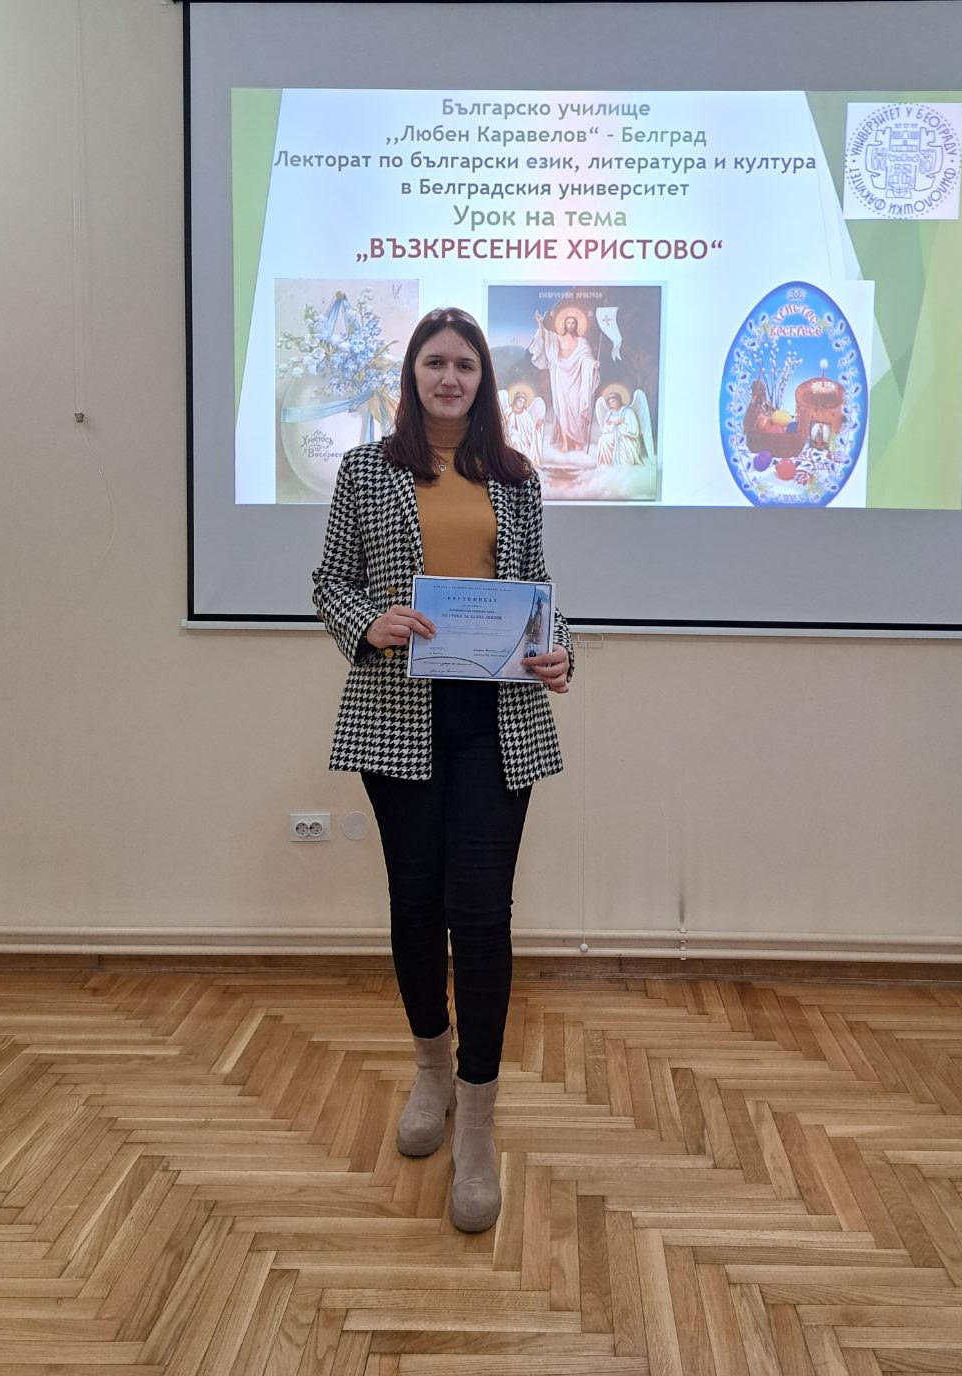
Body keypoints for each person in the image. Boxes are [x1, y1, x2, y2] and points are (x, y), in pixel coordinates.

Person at [312, 307, 573, 1234]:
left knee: (483, 915)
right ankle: (431, 1071)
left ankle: (478, 1121)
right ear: (413, 375)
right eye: (435, 362)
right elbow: (330, 580)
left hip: (497, 723)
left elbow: (540, 595)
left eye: (465, 364)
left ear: (482, 380)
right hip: (399, 717)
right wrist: (368, 622)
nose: (450, 377)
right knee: (416, 905)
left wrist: (560, 650)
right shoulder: (364, 470)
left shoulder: (518, 477)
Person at [528, 304, 600, 452]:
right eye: (568, 322)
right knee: (562, 409)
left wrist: (593, 364)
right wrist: (540, 323)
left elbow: (586, 358)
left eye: (573, 323)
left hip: (576, 377)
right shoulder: (557, 339)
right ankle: (566, 443)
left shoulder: (582, 342)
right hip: (560, 377)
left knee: (576, 408)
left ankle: (577, 441)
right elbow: (544, 337)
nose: (571, 325)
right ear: (564, 324)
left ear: (576, 325)